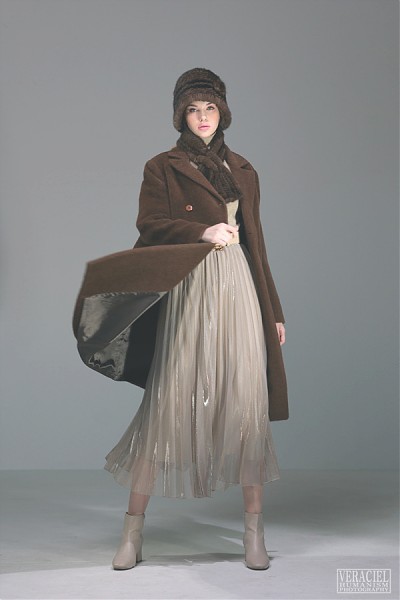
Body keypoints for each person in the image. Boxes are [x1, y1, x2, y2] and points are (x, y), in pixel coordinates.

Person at [75, 67, 288, 571]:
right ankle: (132, 532)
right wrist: (201, 231)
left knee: (246, 402)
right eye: (193, 109)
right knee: (169, 400)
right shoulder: (161, 166)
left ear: (223, 112)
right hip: (190, 285)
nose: (202, 118)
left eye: (210, 108)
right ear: (180, 115)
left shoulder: (244, 169)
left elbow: (257, 246)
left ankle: (253, 532)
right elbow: (149, 224)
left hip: (239, 287)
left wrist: (273, 311)